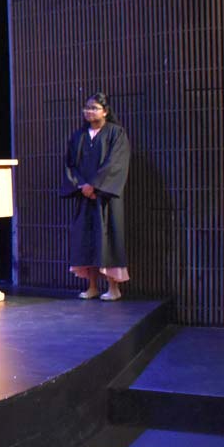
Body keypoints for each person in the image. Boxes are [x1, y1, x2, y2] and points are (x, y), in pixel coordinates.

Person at [61, 92, 131, 301]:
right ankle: (91, 286)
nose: (89, 112)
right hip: (85, 195)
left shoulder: (116, 134)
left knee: (108, 237)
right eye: (87, 108)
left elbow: (115, 163)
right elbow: (70, 164)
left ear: (106, 111)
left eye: (94, 108)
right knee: (86, 239)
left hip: (106, 196)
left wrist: (95, 185)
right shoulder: (79, 136)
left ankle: (113, 288)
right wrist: (81, 185)